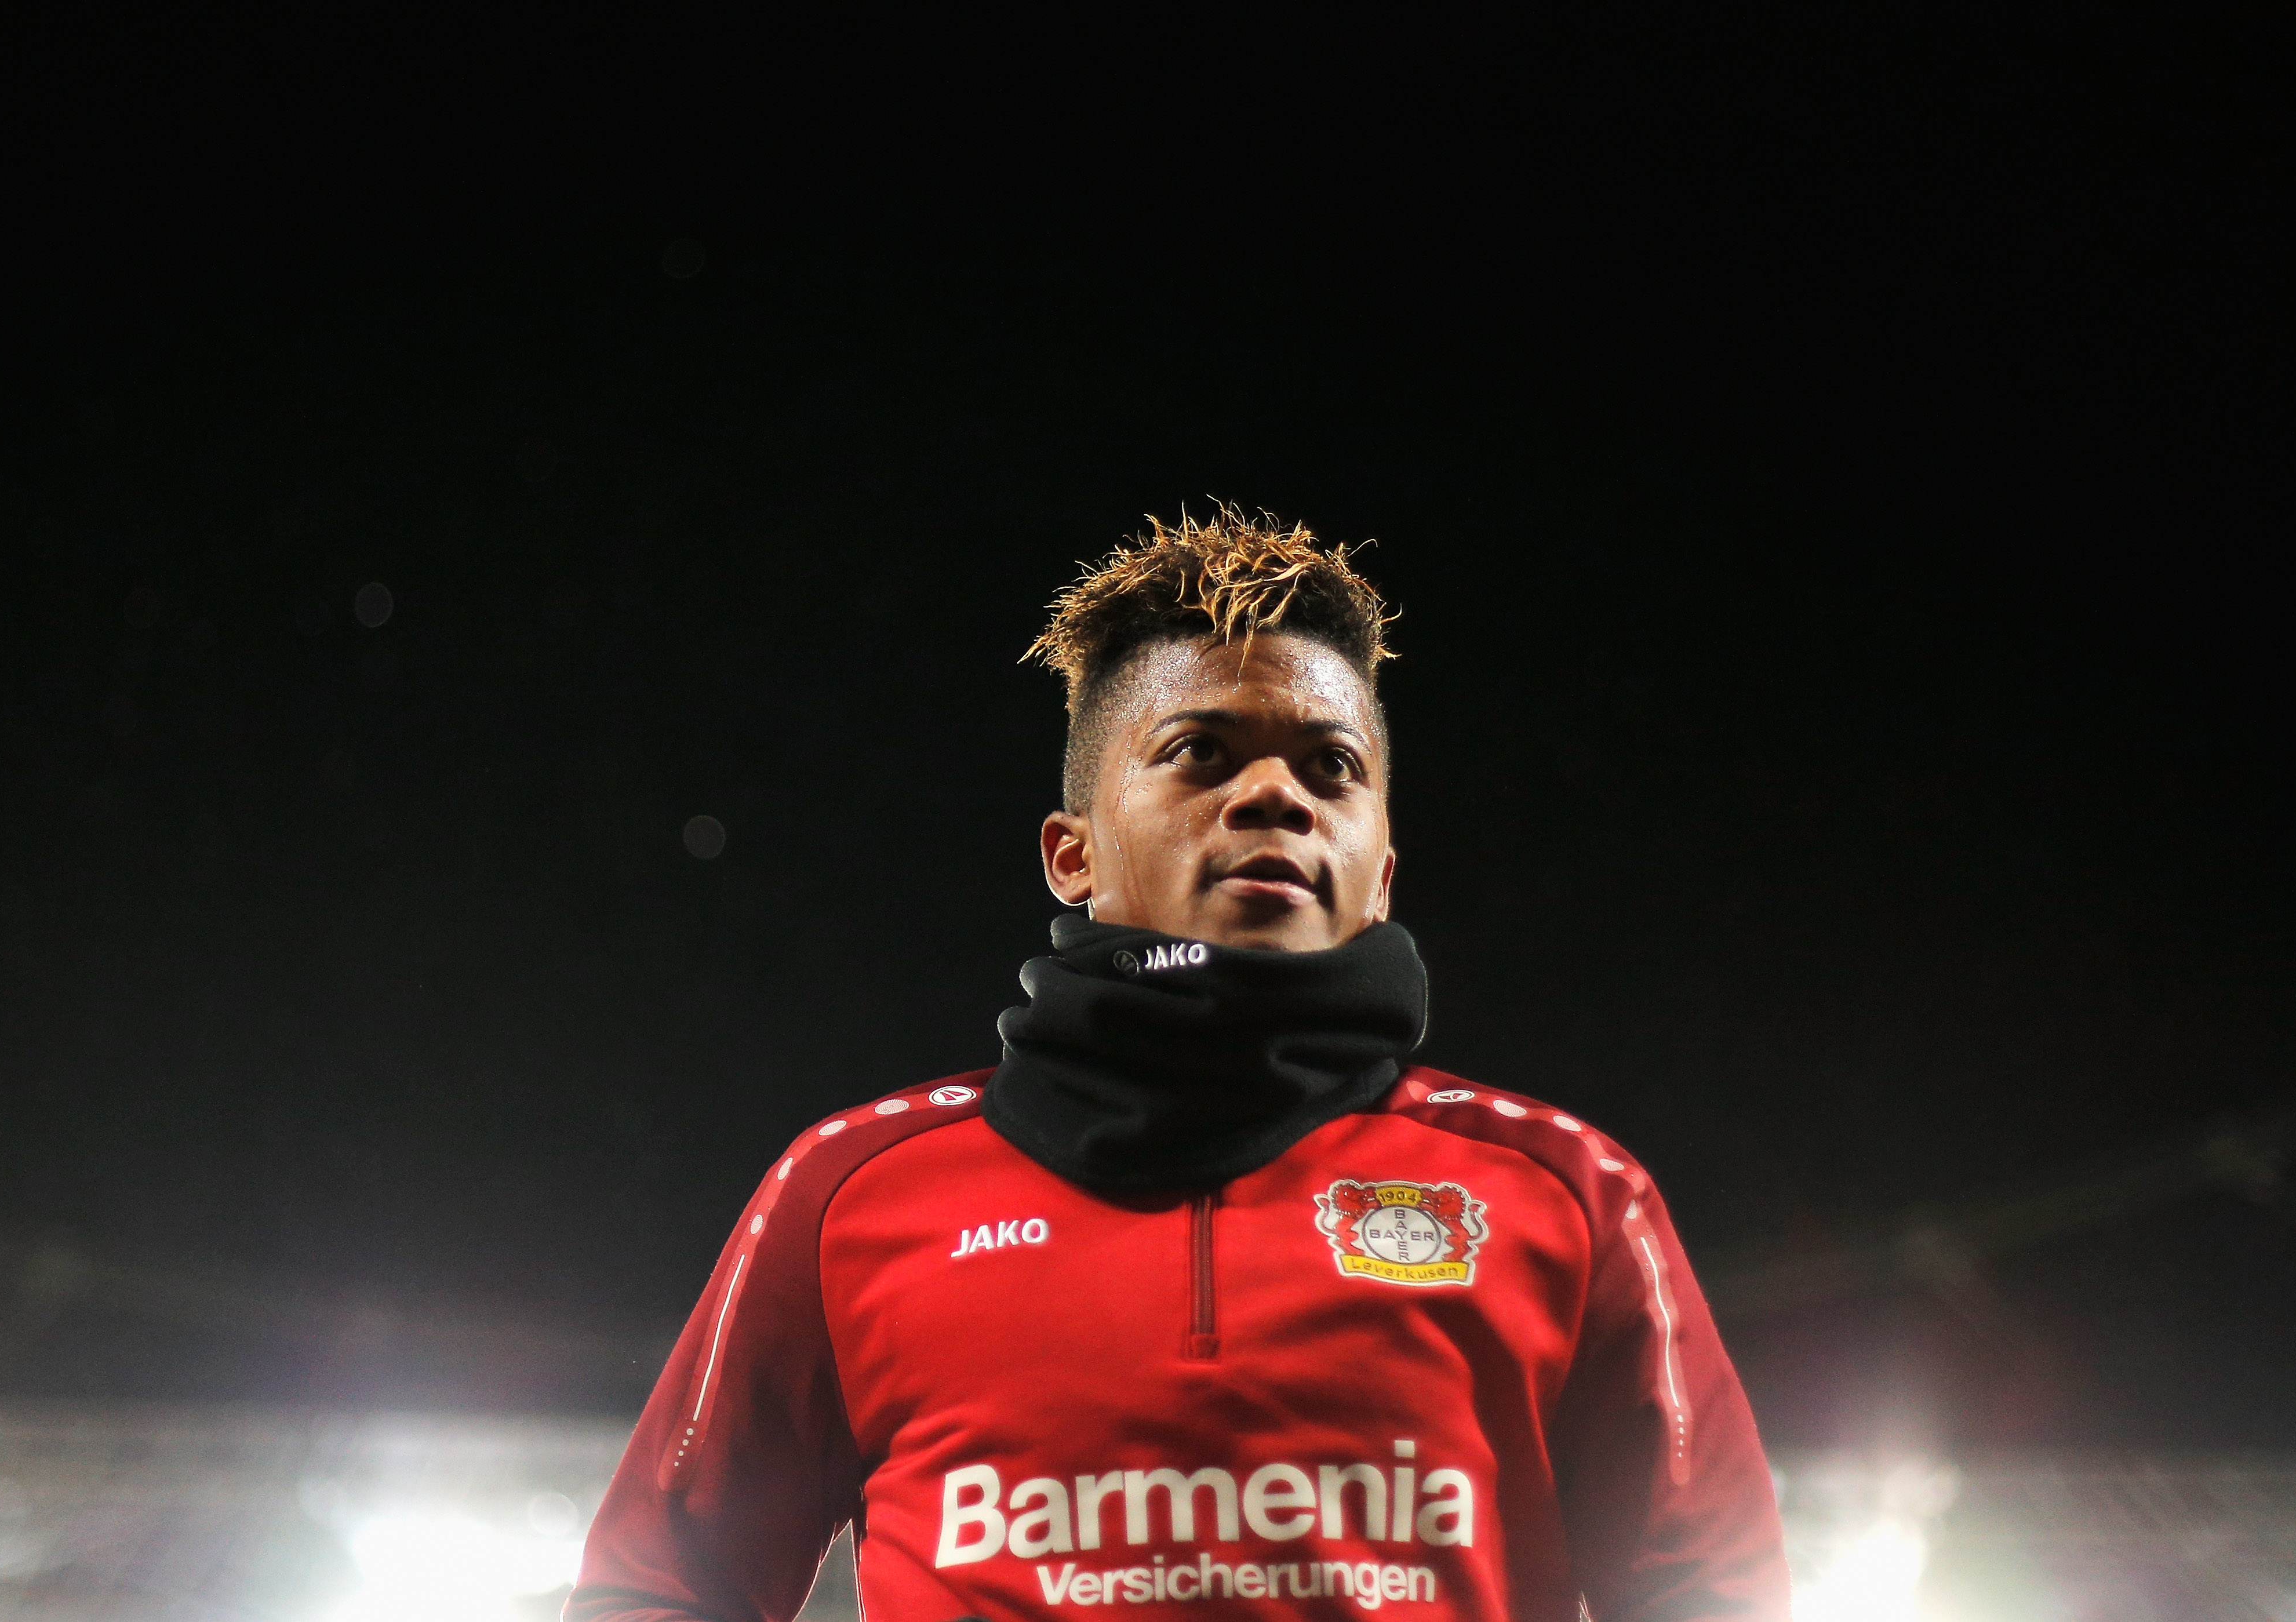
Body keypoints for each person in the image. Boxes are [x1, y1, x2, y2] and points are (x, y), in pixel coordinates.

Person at [568, 509, 1789, 1622]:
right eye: (1202, 752)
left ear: (1383, 872)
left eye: (1332, 767)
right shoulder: (847, 1195)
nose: (1275, 793)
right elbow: (657, 1594)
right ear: (1072, 852)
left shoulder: (1570, 1198)